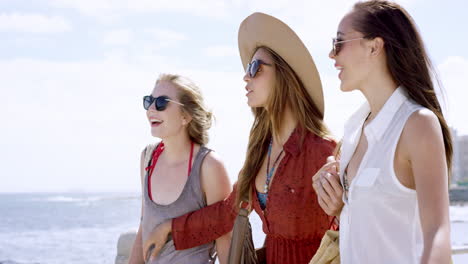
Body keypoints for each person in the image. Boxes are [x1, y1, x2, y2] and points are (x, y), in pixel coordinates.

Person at [143, 12, 337, 264]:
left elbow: (349, 226)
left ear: (284, 75)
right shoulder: (261, 149)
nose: (246, 76)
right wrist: (170, 227)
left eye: (255, 68)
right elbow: (226, 213)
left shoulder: (322, 150)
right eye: (247, 69)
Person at [312, 1, 452, 263]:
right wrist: (338, 204)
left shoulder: (417, 124)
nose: (332, 55)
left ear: (374, 46)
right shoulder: (353, 130)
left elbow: (438, 234)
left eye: (339, 42)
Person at [128, 74, 232, 264]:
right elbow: (145, 224)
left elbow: (225, 234)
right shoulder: (147, 158)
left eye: (161, 103)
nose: (151, 108)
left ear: (186, 116)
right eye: (149, 101)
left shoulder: (209, 166)